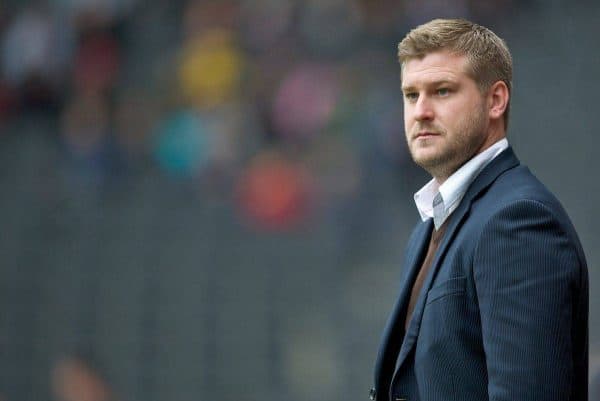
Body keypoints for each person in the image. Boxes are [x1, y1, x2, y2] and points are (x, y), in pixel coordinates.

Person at [370, 19, 588, 401]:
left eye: (441, 91)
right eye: (410, 95)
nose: (420, 111)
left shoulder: (518, 220)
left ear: (496, 100)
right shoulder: (428, 227)